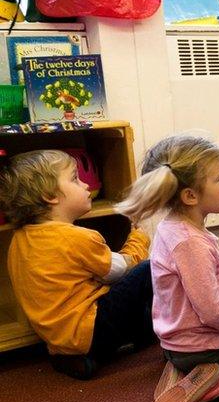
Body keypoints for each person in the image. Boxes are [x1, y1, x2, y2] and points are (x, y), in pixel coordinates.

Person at [116, 135, 219, 402]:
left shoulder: (168, 228)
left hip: (173, 344)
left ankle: (183, 369)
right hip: (201, 347)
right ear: (190, 196)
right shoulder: (191, 244)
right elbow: (213, 312)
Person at [0, 150, 153, 380]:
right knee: (149, 270)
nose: (85, 185)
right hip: (91, 329)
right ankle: (142, 336)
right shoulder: (77, 238)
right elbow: (120, 270)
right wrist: (139, 239)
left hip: (57, 339)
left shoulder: (19, 240)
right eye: (75, 178)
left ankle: (74, 358)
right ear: (49, 195)